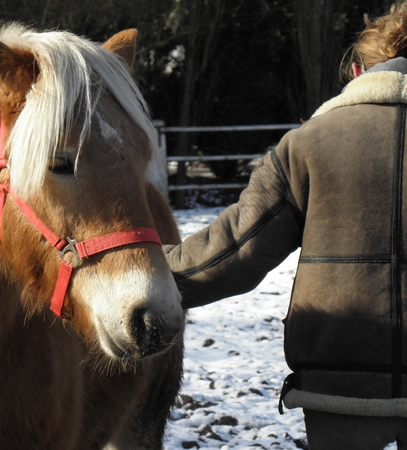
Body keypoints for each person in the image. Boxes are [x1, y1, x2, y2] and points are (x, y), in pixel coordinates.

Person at [164, 3, 407, 449]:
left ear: (357, 70)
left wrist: (132, 270)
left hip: (339, 391)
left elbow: (232, 251)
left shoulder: (308, 144)